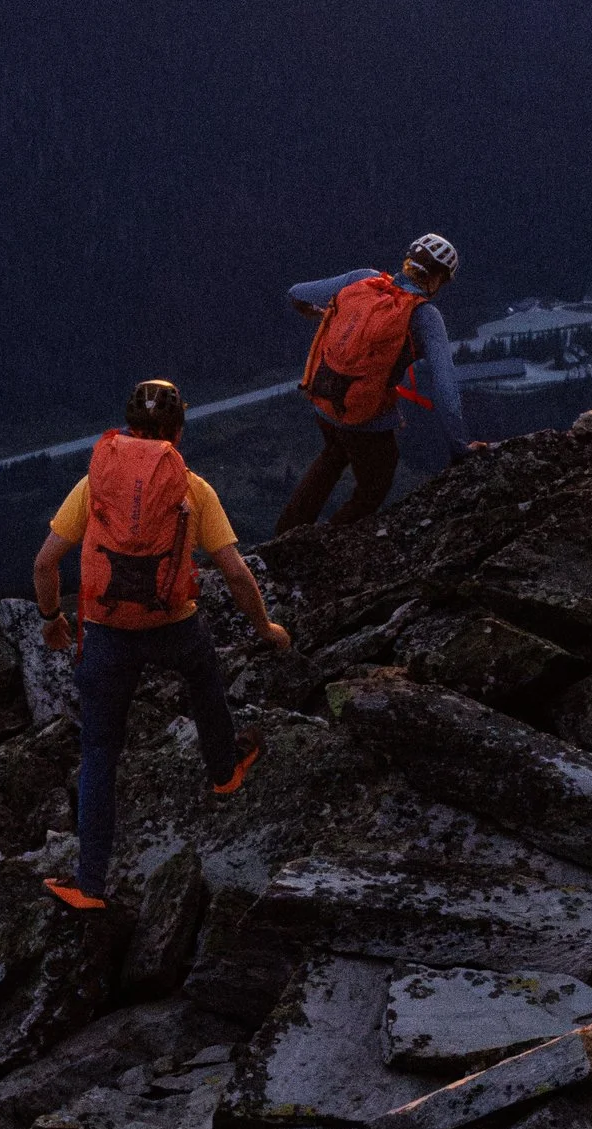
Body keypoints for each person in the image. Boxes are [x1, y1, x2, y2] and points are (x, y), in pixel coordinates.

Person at [31, 377, 288, 915]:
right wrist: (265, 627)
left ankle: (90, 885)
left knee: (100, 750)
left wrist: (53, 618)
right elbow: (236, 573)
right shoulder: (192, 487)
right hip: (173, 623)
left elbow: (45, 562)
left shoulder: (94, 481)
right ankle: (224, 772)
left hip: (104, 630)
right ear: (178, 428)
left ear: (127, 425)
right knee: (203, 678)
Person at [277, 232, 477, 533]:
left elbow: (297, 293)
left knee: (333, 455)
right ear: (436, 280)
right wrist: (459, 448)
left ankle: (284, 538)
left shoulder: (364, 279)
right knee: (374, 488)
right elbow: (445, 387)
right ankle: (325, 544)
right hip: (365, 419)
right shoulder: (424, 316)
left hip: (324, 400)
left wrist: (318, 315)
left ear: (407, 261)